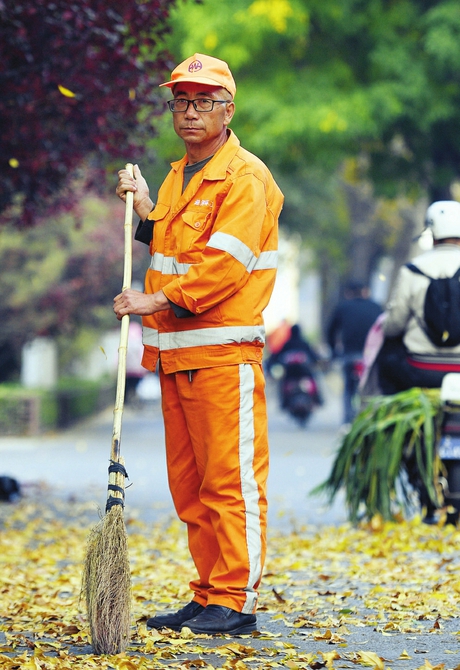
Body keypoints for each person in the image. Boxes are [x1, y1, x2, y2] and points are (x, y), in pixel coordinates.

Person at [114, 53, 284, 635]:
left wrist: (151, 302)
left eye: (204, 101)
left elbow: (221, 269)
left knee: (231, 483)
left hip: (222, 353)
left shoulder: (245, 178)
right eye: (181, 101)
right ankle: (209, 592)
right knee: (191, 487)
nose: (190, 112)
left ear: (228, 110)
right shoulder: (177, 173)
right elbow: (168, 239)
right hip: (176, 354)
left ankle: (237, 602)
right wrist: (142, 207)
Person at [379, 200, 460, 393]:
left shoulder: (412, 269)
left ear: (431, 233)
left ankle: (391, 419)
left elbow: (394, 325)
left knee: (387, 362)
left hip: (420, 368)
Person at [327, 281, 382, 423]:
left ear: (348, 293)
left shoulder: (342, 307)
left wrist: (334, 351)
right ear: (366, 291)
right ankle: (370, 417)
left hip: (349, 355)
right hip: (371, 356)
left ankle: (347, 420)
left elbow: (331, 331)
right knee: (371, 388)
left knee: (348, 389)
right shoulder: (376, 307)